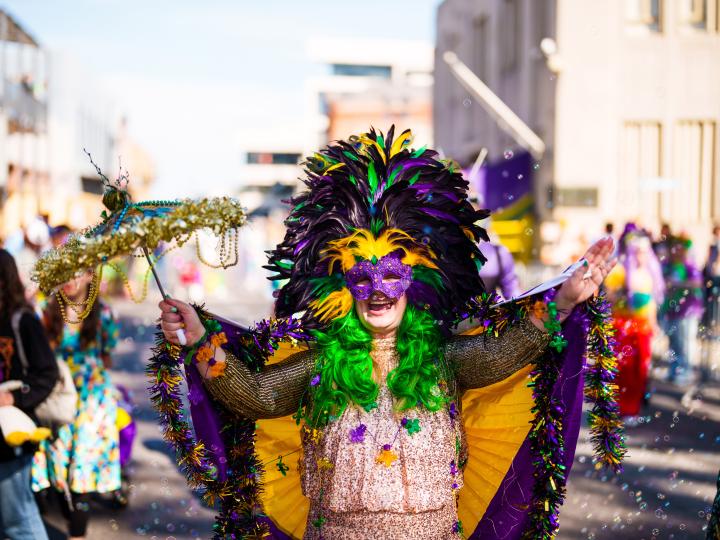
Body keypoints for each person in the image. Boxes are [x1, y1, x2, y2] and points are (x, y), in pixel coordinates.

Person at [157, 127, 616, 539]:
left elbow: (507, 352)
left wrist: (563, 301)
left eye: (391, 278)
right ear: (343, 286)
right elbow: (255, 396)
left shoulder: (442, 357)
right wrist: (199, 339)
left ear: (413, 284)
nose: (378, 293)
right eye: (363, 279)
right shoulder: (321, 363)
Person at [32, 272, 120, 540]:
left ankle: (77, 534)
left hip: (92, 401)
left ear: (91, 275)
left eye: (77, 272)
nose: (70, 279)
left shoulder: (104, 312)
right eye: (65, 272)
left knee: (82, 470)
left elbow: (107, 358)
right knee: (58, 467)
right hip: (59, 397)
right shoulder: (46, 310)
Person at [0, 248, 57, 540]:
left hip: (9, 438)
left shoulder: (22, 321)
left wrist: (14, 398)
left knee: (18, 521)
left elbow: (47, 374)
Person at [604, 224, 664, 418]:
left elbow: (652, 302)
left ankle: (634, 409)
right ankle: (622, 407)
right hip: (623, 328)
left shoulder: (649, 274)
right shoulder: (620, 273)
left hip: (642, 329)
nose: (642, 256)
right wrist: (622, 295)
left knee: (640, 370)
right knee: (624, 369)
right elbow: (608, 299)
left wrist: (653, 324)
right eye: (638, 252)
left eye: (645, 252)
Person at [661, 235, 704, 384]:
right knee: (673, 342)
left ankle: (686, 371)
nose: (675, 252)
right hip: (672, 309)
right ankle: (674, 370)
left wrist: (677, 284)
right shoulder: (668, 266)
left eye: (679, 249)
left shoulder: (689, 266)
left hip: (688, 311)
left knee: (685, 342)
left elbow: (697, 283)